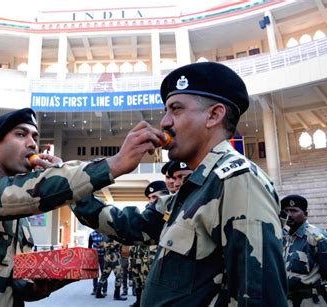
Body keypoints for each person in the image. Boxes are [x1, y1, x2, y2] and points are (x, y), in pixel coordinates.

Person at [71, 61, 287, 306]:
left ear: (214, 115)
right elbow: (128, 226)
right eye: (166, 111)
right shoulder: (195, 188)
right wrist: (72, 185)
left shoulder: (238, 181)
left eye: (176, 109)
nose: (164, 122)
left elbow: (259, 295)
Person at [0, 107, 165, 306]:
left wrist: (39, 287)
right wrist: (114, 164)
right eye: (21, 134)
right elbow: (23, 194)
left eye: (34, 137)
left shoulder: (19, 218)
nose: (32, 144)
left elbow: (8, 282)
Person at [282, 195, 327, 306]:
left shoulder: (316, 238)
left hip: (311, 301)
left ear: (305, 214)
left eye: (294, 211)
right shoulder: (286, 238)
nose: (289, 215)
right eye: (286, 211)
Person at [95, 235, 127, 301]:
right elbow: (117, 244)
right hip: (114, 255)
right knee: (119, 275)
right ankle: (116, 295)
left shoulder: (104, 234)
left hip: (107, 255)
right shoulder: (113, 231)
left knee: (105, 274)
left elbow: (102, 245)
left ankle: (98, 292)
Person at [88, 230, 107, 296]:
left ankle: (104, 290)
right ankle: (95, 289)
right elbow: (89, 247)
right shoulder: (92, 234)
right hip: (94, 256)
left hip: (103, 256)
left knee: (104, 273)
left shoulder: (104, 234)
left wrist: (103, 246)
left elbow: (107, 244)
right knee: (95, 273)